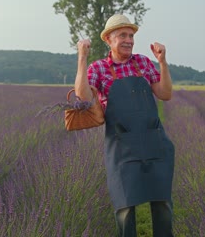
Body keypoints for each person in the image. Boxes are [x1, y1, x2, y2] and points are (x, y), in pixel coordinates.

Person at [75, 14, 175, 237]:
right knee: (125, 208)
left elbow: (165, 93)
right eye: (122, 35)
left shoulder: (143, 63)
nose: (129, 40)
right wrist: (82, 58)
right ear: (109, 40)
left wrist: (162, 61)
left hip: (154, 143)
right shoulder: (98, 68)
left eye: (131, 35)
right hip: (122, 148)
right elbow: (82, 97)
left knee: (162, 205)